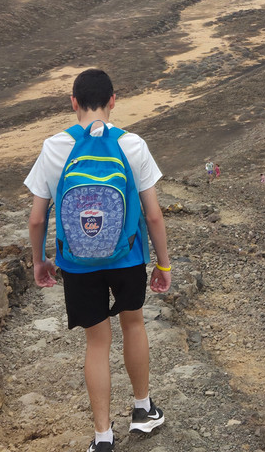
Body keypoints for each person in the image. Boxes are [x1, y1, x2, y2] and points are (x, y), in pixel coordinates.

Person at [26, 69, 172, 452]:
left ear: (73, 102)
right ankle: (142, 409)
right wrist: (163, 264)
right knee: (134, 324)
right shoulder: (132, 145)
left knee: (96, 342)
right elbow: (154, 215)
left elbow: (37, 219)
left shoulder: (54, 147)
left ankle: (103, 436)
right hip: (128, 256)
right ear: (113, 101)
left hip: (77, 263)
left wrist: (40, 261)